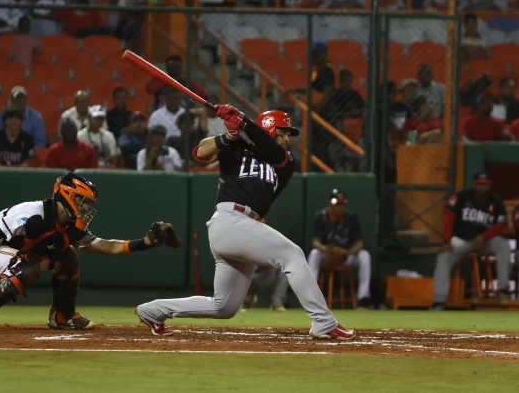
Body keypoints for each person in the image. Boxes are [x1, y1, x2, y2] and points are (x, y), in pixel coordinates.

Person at [136, 106, 356, 340]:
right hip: (230, 220)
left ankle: (153, 310)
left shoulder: (286, 161)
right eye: (283, 132)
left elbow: (270, 149)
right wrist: (227, 136)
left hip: (244, 227)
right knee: (292, 254)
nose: (288, 138)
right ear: (270, 129)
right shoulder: (235, 146)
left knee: (224, 307)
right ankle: (323, 322)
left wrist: (243, 122)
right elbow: (200, 153)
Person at [0, 173, 180, 330]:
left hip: (9, 255)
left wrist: (145, 242)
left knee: (68, 257)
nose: (85, 208)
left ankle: (62, 317)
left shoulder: (70, 227)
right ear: (68, 196)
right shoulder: (33, 211)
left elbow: (104, 246)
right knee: (27, 265)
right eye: (82, 201)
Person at [431, 172, 510, 310]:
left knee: (503, 245)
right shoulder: (462, 196)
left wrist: (483, 236)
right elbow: (449, 216)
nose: (482, 187)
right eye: (479, 184)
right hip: (462, 240)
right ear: (474, 184)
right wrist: (447, 241)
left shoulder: (496, 201)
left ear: (489, 184)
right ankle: (439, 301)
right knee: (443, 257)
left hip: (485, 241)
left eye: (485, 184)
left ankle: (502, 289)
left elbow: (500, 224)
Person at [307, 189, 372, 308]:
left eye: (342, 203)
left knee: (364, 255)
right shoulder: (321, 216)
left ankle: (363, 298)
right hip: (326, 255)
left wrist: (346, 252)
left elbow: (359, 243)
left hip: (346, 255)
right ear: (330, 203)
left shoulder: (351, 217)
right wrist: (327, 249)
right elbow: (315, 242)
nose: (339, 207)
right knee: (314, 253)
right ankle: (310, 297)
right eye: (336, 203)